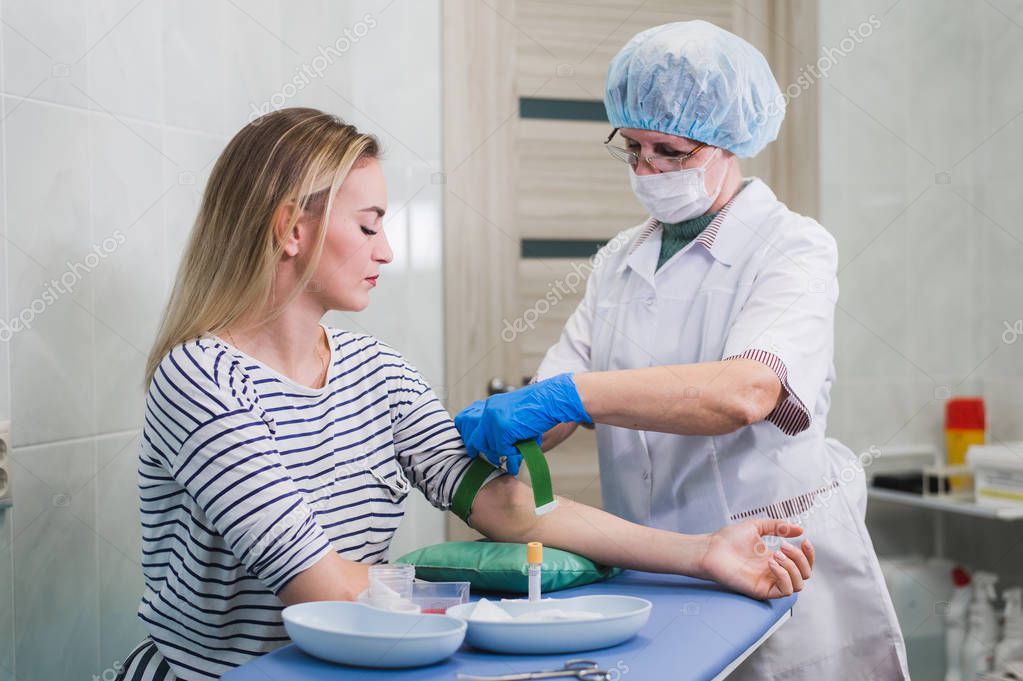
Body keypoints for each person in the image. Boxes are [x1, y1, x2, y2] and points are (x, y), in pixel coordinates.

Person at [116, 107, 813, 681]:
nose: (386, 250)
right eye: (368, 225)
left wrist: (701, 552)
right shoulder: (203, 380)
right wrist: (494, 618)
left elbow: (506, 504)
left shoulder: (374, 370)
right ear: (292, 229)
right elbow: (320, 588)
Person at [455, 21, 909, 680]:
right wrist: (512, 423)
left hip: (774, 563)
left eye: (668, 150)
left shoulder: (792, 247)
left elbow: (745, 392)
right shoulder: (619, 259)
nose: (646, 169)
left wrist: (573, 397)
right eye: (632, 147)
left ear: (728, 142)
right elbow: (553, 399)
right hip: (656, 568)